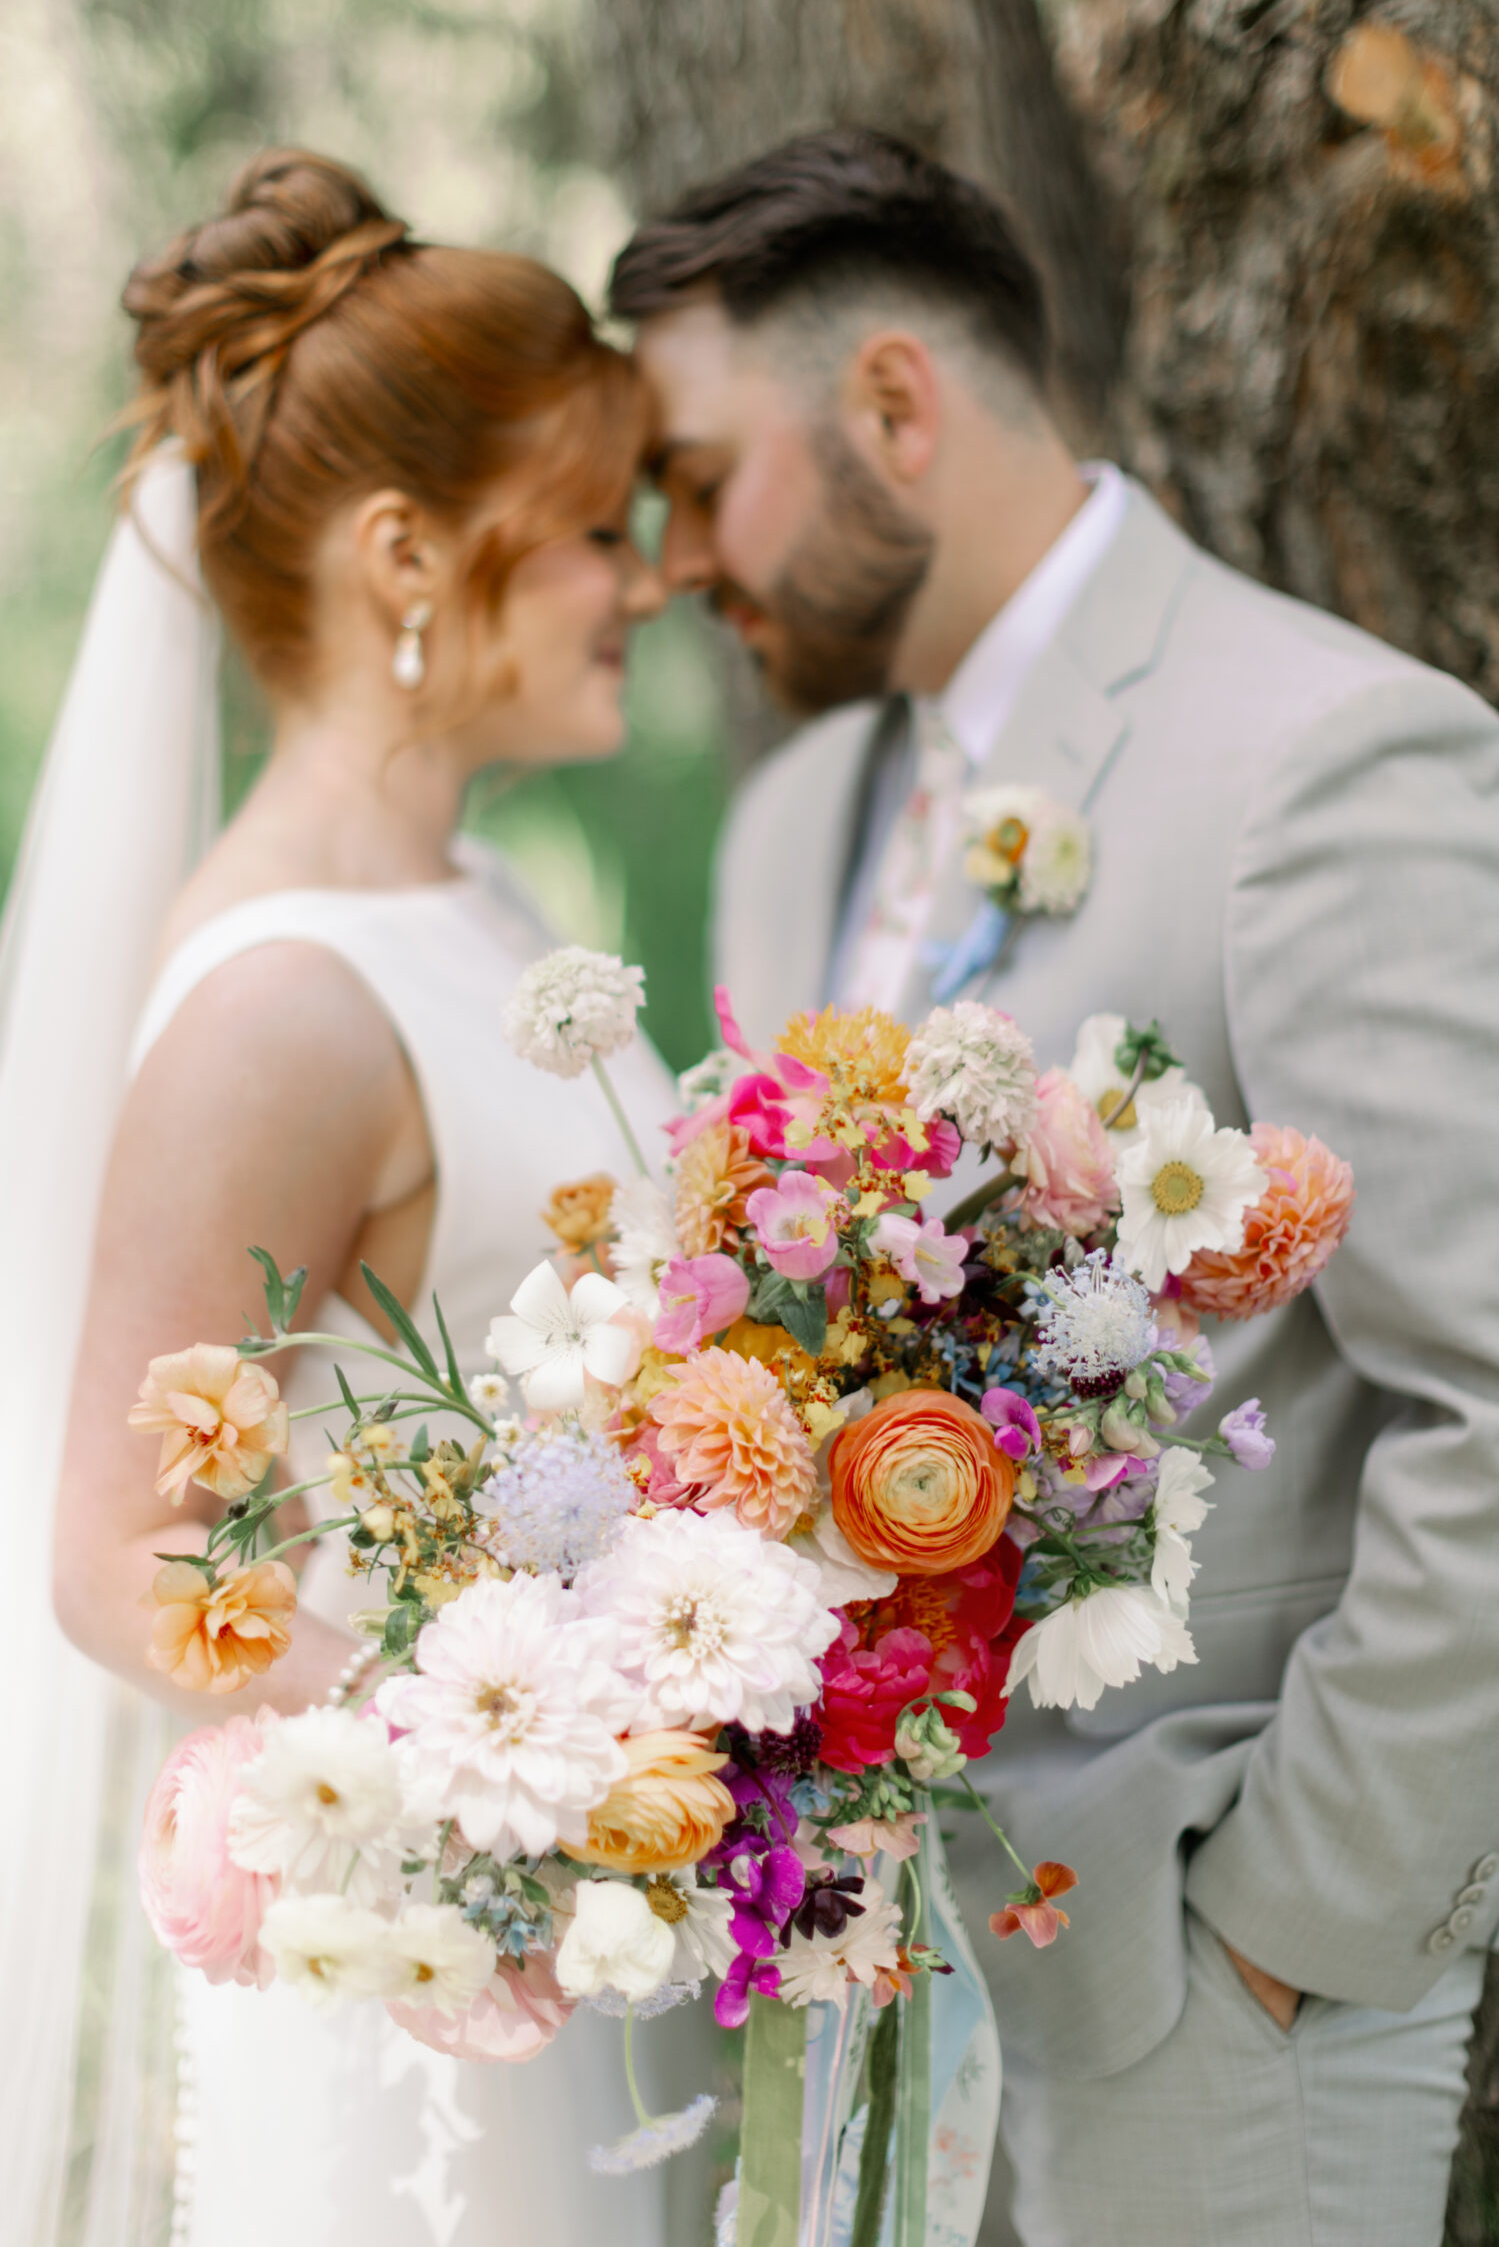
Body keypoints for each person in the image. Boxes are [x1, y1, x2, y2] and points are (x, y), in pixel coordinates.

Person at [0, 149, 693, 2247]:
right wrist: (529, 1748)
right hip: (421, 1944)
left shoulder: (467, 899)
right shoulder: (285, 999)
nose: (639, 579)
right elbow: (119, 1556)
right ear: (405, 553)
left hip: (578, 1911)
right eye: (588, 532)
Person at [612, 126, 1499, 2247]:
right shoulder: (794, 811)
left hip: (1206, 1980)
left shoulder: (1322, 758)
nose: (666, 563)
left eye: (698, 476)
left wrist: (1293, 1921)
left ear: (892, 407)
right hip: (850, 1987)